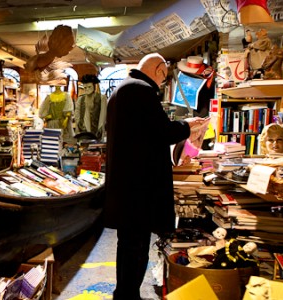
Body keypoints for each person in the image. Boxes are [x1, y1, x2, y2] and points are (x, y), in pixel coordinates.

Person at [103, 53, 208, 299]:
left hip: (126, 184)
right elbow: (161, 132)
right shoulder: (141, 90)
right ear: (159, 69)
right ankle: (128, 296)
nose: (162, 83)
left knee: (128, 244)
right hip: (139, 187)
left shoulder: (122, 89)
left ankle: (125, 293)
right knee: (136, 246)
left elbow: (145, 132)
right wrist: (187, 125)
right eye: (164, 77)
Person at [74, 74, 106, 139]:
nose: (87, 89)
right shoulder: (81, 99)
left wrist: (100, 129)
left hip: (96, 130)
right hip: (83, 129)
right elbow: (77, 114)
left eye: (89, 87)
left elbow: (103, 114)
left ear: (94, 86)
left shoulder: (101, 98)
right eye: (85, 87)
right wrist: (79, 127)